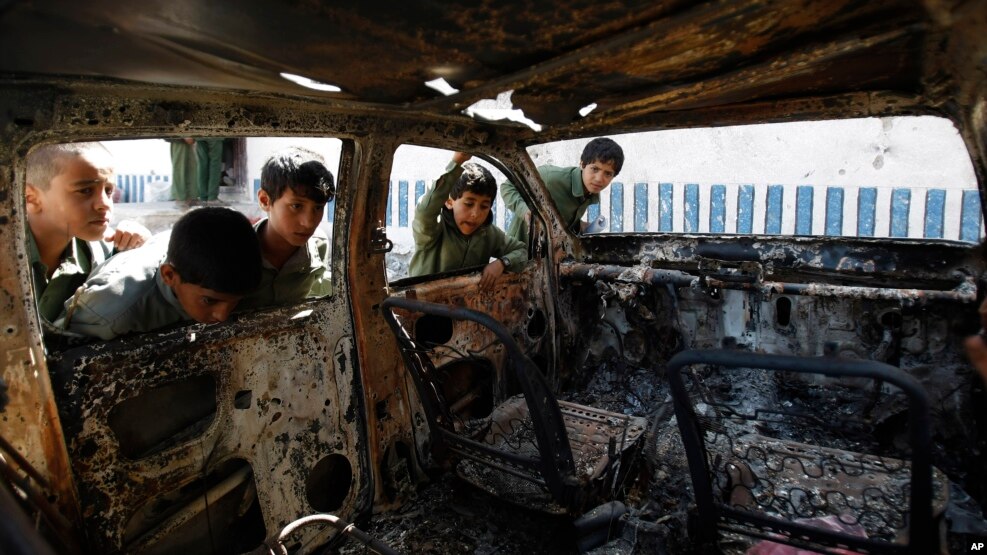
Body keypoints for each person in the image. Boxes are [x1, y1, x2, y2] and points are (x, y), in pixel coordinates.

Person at [56, 207, 262, 340]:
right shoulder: (109, 315)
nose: (223, 316)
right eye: (209, 301)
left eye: (234, 302)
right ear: (169, 276)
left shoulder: (197, 257)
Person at [25, 142, 149, 323]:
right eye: (85, 191)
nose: (104, 203)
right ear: (32, 198)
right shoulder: (8, 257)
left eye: (108, 191)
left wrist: (142, 250)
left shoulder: (108, 249)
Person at [409, 152, 526, 290]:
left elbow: (522, 251)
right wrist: (456, 162)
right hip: (423, 308)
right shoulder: (433, 230)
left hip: (465, 308)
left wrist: (502, 263)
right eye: (469, 204)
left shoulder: (489, 233)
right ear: (449, 202)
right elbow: (425, 210)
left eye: (484, 206)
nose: (475, 214)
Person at [237, 147, 334, 311]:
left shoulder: (319, 245)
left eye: (318, 208)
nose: (309, 223)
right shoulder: (233, 253)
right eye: (296, 206)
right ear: (265, 200)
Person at [501, 137, 624, 243]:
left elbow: (560, 218)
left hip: (550, 260)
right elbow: (508, 186)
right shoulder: (550, 177)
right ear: (582, 164)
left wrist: (581, 226)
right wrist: (525, 211)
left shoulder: (590, 193)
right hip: (519, 254)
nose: (599, 179)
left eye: (608, 174)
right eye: (594, 169)